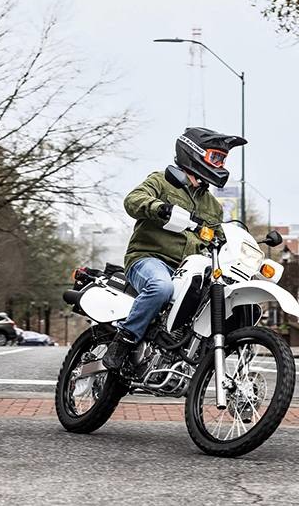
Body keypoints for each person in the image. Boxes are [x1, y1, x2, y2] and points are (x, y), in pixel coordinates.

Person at [102, 127, 247, 370]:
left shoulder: (213, 206)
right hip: (149, 259)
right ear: (194, 153)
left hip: (189, 270)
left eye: (223, 160)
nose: (221, 165)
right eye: (216, 157)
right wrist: (159, 208)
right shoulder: (162, 181)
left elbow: (219, 238)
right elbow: (133, 200)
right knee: (161, 287)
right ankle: (124, 340)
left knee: (219, 296)